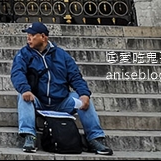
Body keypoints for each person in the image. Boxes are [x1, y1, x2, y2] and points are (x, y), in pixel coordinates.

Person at [11, 22, 112, 155]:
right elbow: (17, 73)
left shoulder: (61, 55)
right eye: (28, 35)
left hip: (61, 101)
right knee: (23, 96)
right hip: (38, 100)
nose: (28, 38)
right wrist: (25, 89)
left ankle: (95, 138)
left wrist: (84, 94)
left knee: (82, 99)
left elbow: (75, 76)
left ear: (43, 37)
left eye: (32, 35)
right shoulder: (23, 54)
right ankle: (29, 136)